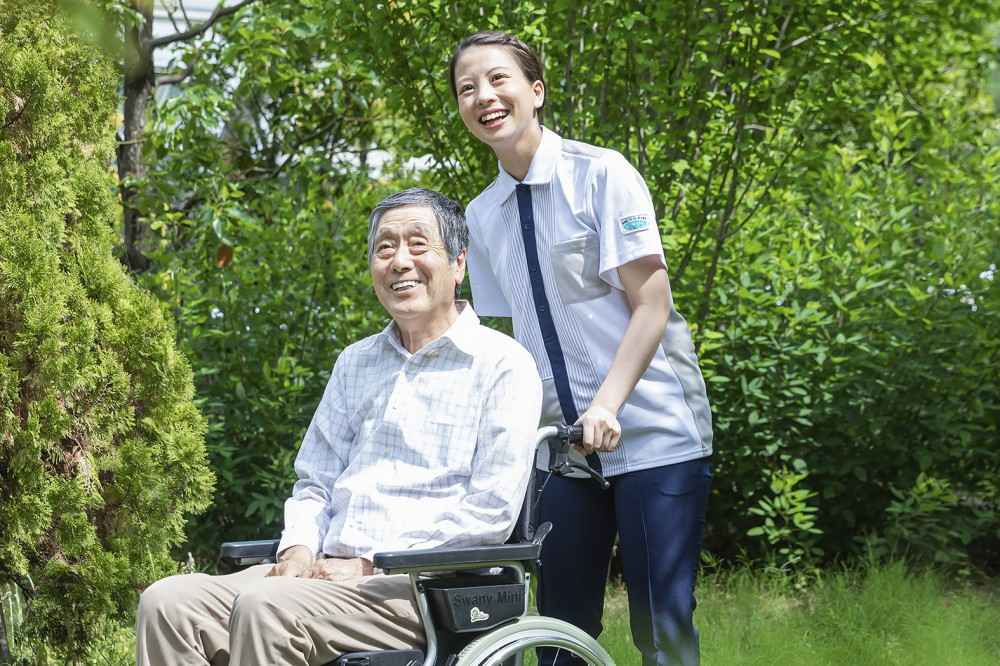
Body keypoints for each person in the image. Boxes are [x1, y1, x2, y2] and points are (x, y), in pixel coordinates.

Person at [135, 188, 543, 666]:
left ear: (458, 263)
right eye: (384, 248)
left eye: (418, 244)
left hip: (422, 587)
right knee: (168, 604)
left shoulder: (502, 364)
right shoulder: (356, 362)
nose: (399, 261)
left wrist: (371, 562)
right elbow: (315, 481)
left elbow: (490, 512)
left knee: (267, 608)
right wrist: (299, 550)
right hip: (327, 576)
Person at [449, 32, 714, 666]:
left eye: (497, 80)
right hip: (561, 451)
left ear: (535, 91)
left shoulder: (601, 174)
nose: (484, 96)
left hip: (654, 434)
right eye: (466, 89)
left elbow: (653, 305)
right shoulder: (483, 215)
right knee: (558, 635)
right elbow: (511, 338)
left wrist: (608, 405)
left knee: (663, 627)